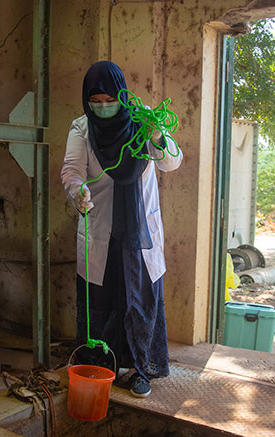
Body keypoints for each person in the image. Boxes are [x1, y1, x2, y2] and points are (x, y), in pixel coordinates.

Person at [61, 61, 182, 398]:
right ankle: (103, 367)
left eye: (109, 100)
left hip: (140, 233)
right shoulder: (82, 128)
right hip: (102, 231)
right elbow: (72, 170)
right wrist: (77, 191)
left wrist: (158, 135)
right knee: (103, 301)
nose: (102, 108)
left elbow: (171, 162)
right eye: (95, 102)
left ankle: (141, 369)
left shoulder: (142, 120)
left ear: (121, 95)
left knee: (139, 301)